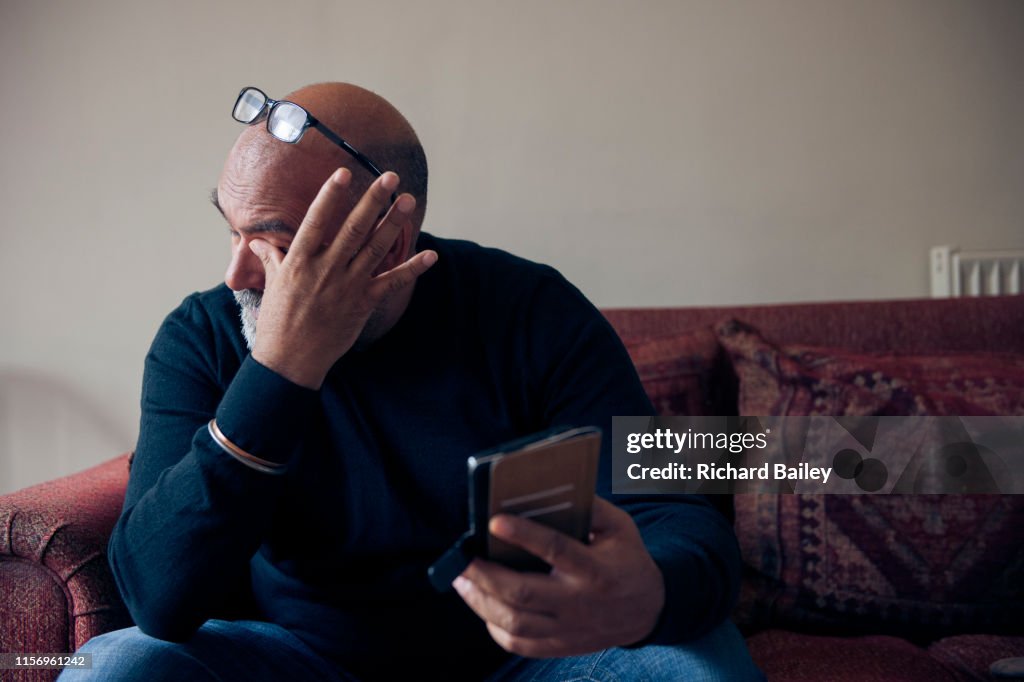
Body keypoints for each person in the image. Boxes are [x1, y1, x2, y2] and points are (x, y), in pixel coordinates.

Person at [61, 82, 763, 681]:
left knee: (691, 663)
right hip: (298, 660)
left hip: (523, 664)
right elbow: (158, 598)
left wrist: (645, 595)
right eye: (231, 232)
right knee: (119, 667)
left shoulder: (529, 312)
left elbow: (676, 513)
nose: (236, 276)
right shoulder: (203, 336)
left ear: (392, 243)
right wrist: (279, 370)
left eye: (274, 245)